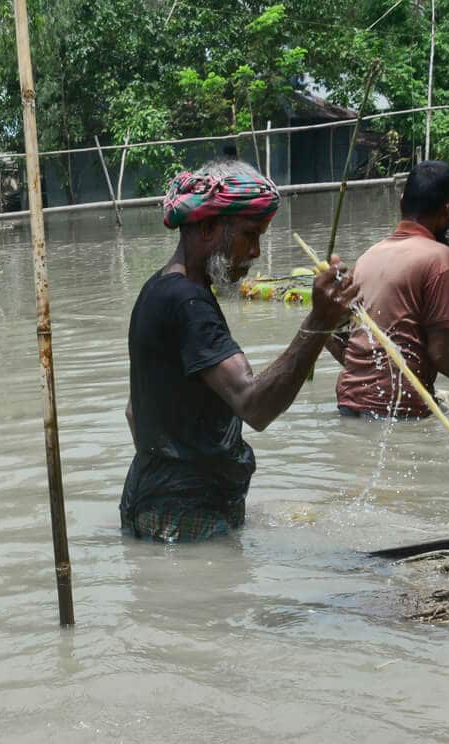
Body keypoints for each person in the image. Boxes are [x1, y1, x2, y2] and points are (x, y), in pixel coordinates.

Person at [119, 160, 359, 542]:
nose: (256, 251)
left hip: (153, 498)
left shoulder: (158, 289)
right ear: (209, 227)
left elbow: (136, 412)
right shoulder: (189, 305)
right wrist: (319, 321)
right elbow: (255, 406)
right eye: (250, 235)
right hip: (186, 516)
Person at [333, 160, 449, 420]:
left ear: (401, 202)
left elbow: (333, 334)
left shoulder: (368, 256)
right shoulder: (438, 257)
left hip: (349, 402)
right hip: (399, 410)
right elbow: (441, 351)